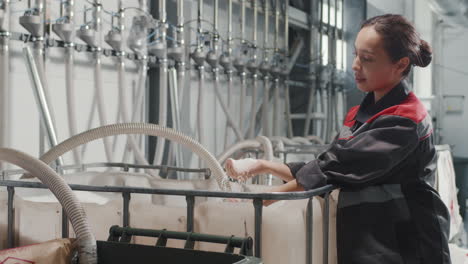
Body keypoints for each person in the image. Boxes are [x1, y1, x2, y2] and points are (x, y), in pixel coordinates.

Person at [225, 14, 451, 264]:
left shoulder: (405, 120)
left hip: (407, 243)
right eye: (355, 54)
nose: (355, 65)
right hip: (370, 237)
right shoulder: (359, 114)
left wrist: (263, 199)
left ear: (400, 65)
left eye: (367, 59)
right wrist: (263, 166)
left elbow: (335, 169)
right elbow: (328, 164)